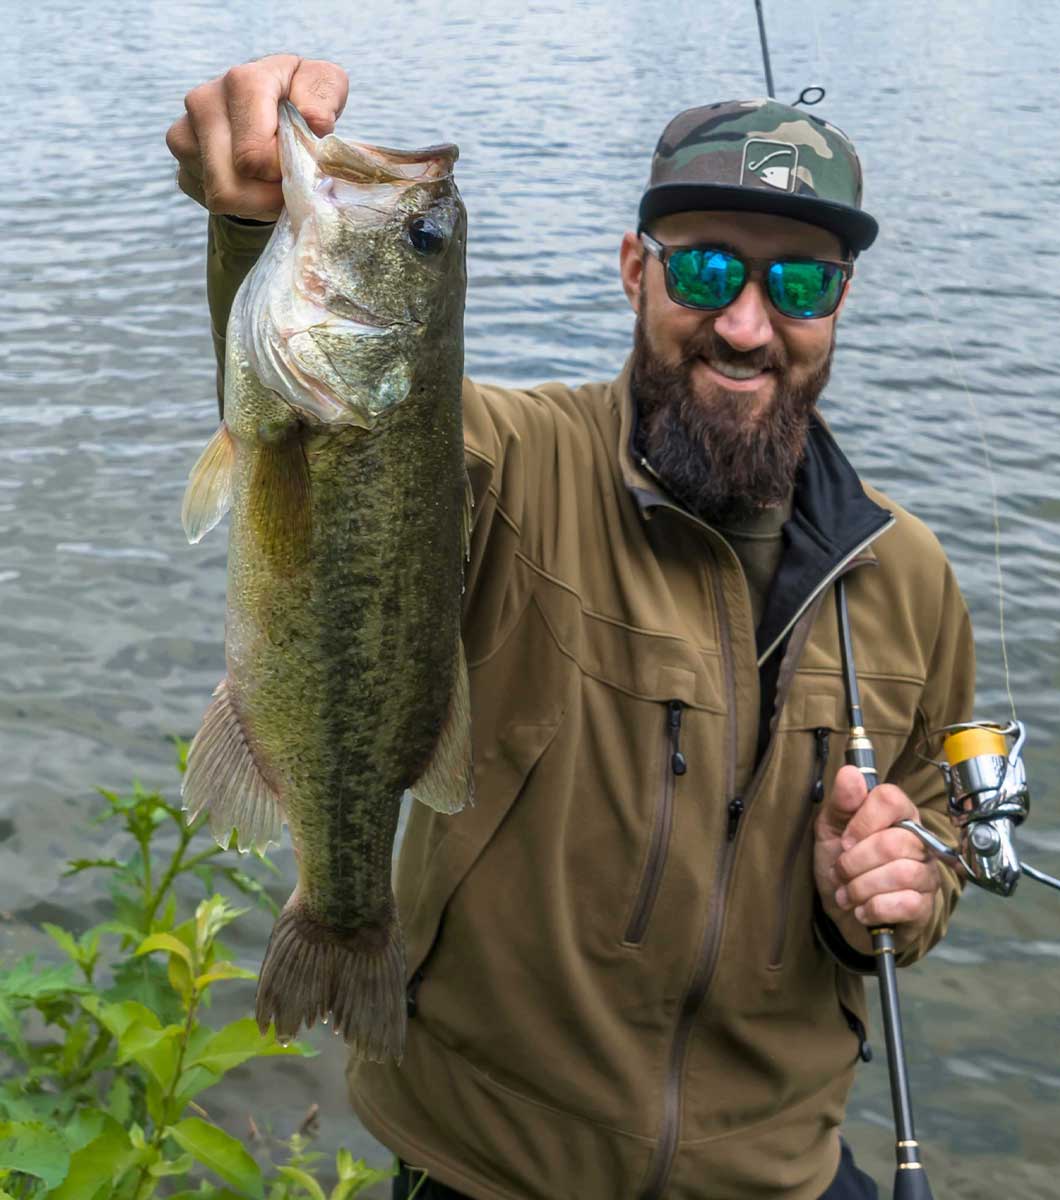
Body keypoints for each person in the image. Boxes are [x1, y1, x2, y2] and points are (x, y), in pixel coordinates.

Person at [167, 55, 974, 1200]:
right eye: (705, 269)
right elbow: (323, 429)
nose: (748, 325)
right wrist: (254, 223)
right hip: (490, 1166)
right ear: (634, 270)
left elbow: (935, 814)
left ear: (837, 304)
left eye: (800, 285)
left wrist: (893, 894)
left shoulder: (911, 579)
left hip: (776, 1173)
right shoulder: (506, 461)